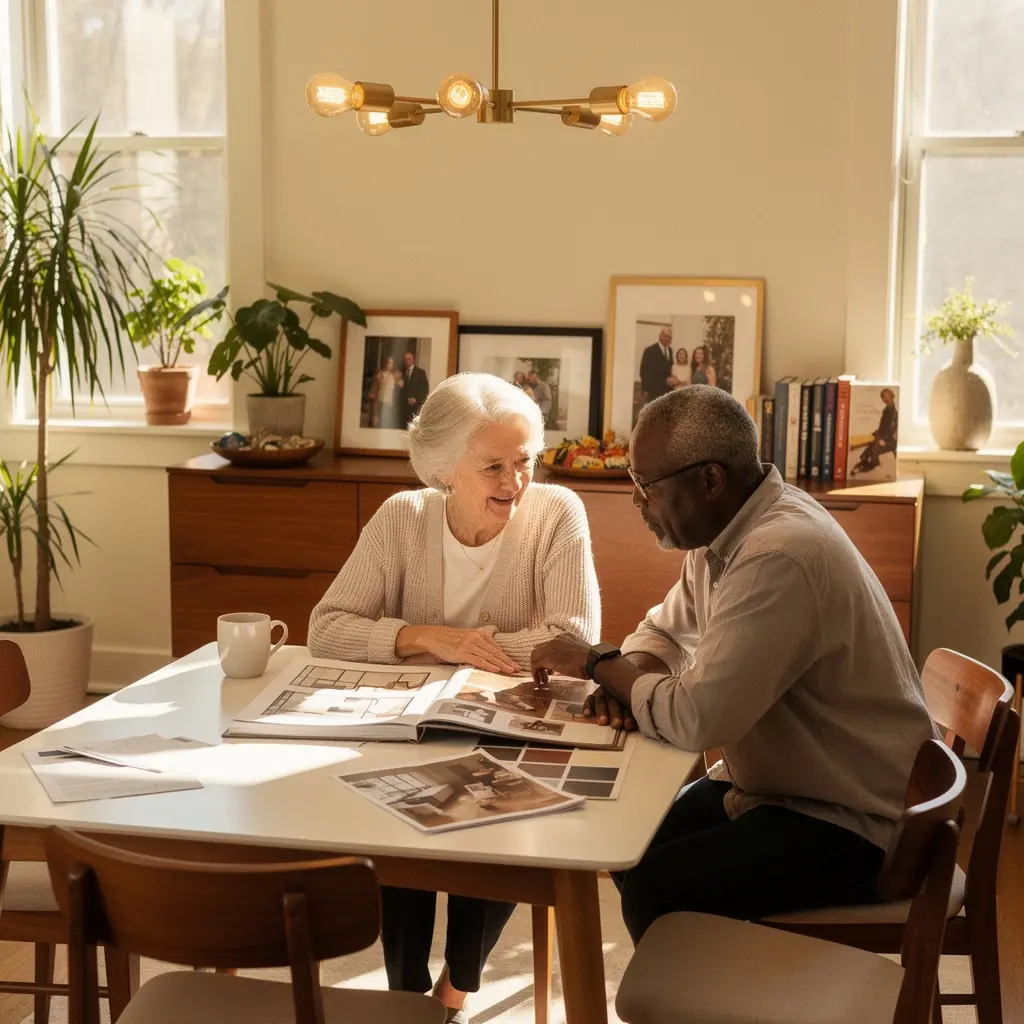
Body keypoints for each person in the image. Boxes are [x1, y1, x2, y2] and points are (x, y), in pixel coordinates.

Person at [531, 384, 937, 944]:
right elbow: (665, 630)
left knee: (656, 886)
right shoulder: (727, 533)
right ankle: (711, 982)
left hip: (854, 821)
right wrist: (623, 675)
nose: (636, 502)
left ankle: (718, 994)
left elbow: (700, 720)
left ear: (710, 480)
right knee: (624, 839)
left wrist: (600, 662)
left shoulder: (778, 554)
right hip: (790, 789)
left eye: (645, 486)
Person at [308, 372, 600, 1019]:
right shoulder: (401, 519)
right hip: (412, 725)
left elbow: (574, 639)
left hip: (513, 730)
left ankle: (457, 988)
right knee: (396, 796)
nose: (514, 482)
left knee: (494, 799)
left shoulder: (556, 514)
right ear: (444, 470)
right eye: (493, 465)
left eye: (523, 461)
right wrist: (429, 637)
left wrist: (475, 647)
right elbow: (325, 628)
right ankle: (405, 996)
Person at [851, 388, 898, 476]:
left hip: (889, 440)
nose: (884, 399)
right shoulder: (887, 410)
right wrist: (877, 434)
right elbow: (883, 426)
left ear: (891, 396)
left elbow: (892, 428)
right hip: (882, 435)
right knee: (871, 443)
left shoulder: (893, 412)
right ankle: (864, 461)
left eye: (886, 396)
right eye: (883, 397)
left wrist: (883, 439)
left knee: (874, 447)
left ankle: (872, 463)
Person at [639, 326, 680, 403]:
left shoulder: (670, 351)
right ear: (660, 336)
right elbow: (644, 373)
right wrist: (664, 381)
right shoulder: (649, 351)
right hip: (654, 394)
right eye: (666, 336)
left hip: (668, 394)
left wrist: (674, 378)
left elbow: (668, 370)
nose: (668, 339)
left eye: (670, 337)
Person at [367, 355, 402, 428]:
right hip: (379, 402)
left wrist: (399, 382)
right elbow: (373, 390)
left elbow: (400, 385)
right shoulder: (379, 375)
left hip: (390, 404)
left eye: (391, 363)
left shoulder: (396, 375)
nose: (389, 365)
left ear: (393, 364)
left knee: (387, 423)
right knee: (377, 423)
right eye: (388, 363)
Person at [400, 350, 430, 427]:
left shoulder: (420, 373)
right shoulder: (400, 373)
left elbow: (425, 389)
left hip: (415, 407)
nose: (407, 361)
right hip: (403, 407)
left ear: (413, 359)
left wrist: (416, 399)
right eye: (405, 359)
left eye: (409, 359)